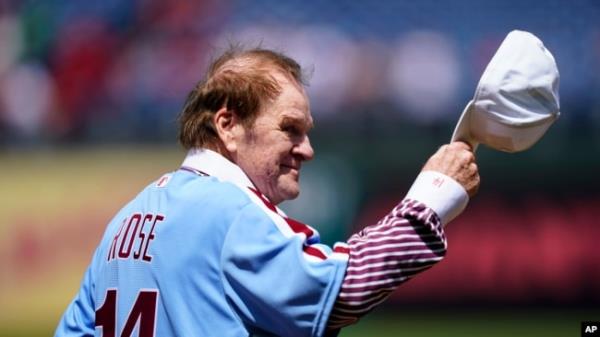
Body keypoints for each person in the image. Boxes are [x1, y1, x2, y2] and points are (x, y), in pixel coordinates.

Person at [55, 46, 479, 337]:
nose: (307, 150)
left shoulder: (127, 218)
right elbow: (341, 291)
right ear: (228, 125)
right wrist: (430, 200)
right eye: (289, 129)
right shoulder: (230, 209)